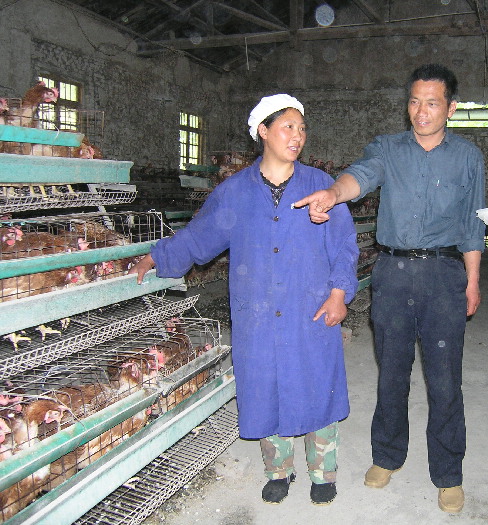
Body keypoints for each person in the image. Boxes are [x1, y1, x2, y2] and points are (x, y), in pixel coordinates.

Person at [129, 94, 359, 506]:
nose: (298, 136)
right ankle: (278, 470)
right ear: (263, 132)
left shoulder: (320, 187)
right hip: (258, 312)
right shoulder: (234, 192)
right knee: (265, 384)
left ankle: (323, 472)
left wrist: (339, 293)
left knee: (316, 383)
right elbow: (200, 237)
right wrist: (158, 256)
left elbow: (344, 244)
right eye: (288, 127)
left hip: (311, 306)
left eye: (302, 128)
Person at [294, 64, 485, 514]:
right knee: (392, 372)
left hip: (444, 274)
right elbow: (359, 175)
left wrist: (473, 280)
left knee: (445, 379)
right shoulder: (388, 148)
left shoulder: (467, 157)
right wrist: (333, 194)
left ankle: (448, 474)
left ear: (451, 108)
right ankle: (387, 456)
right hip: (394, 272)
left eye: (432, 103)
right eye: (414, 101)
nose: (421, 111)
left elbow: (473, 224)